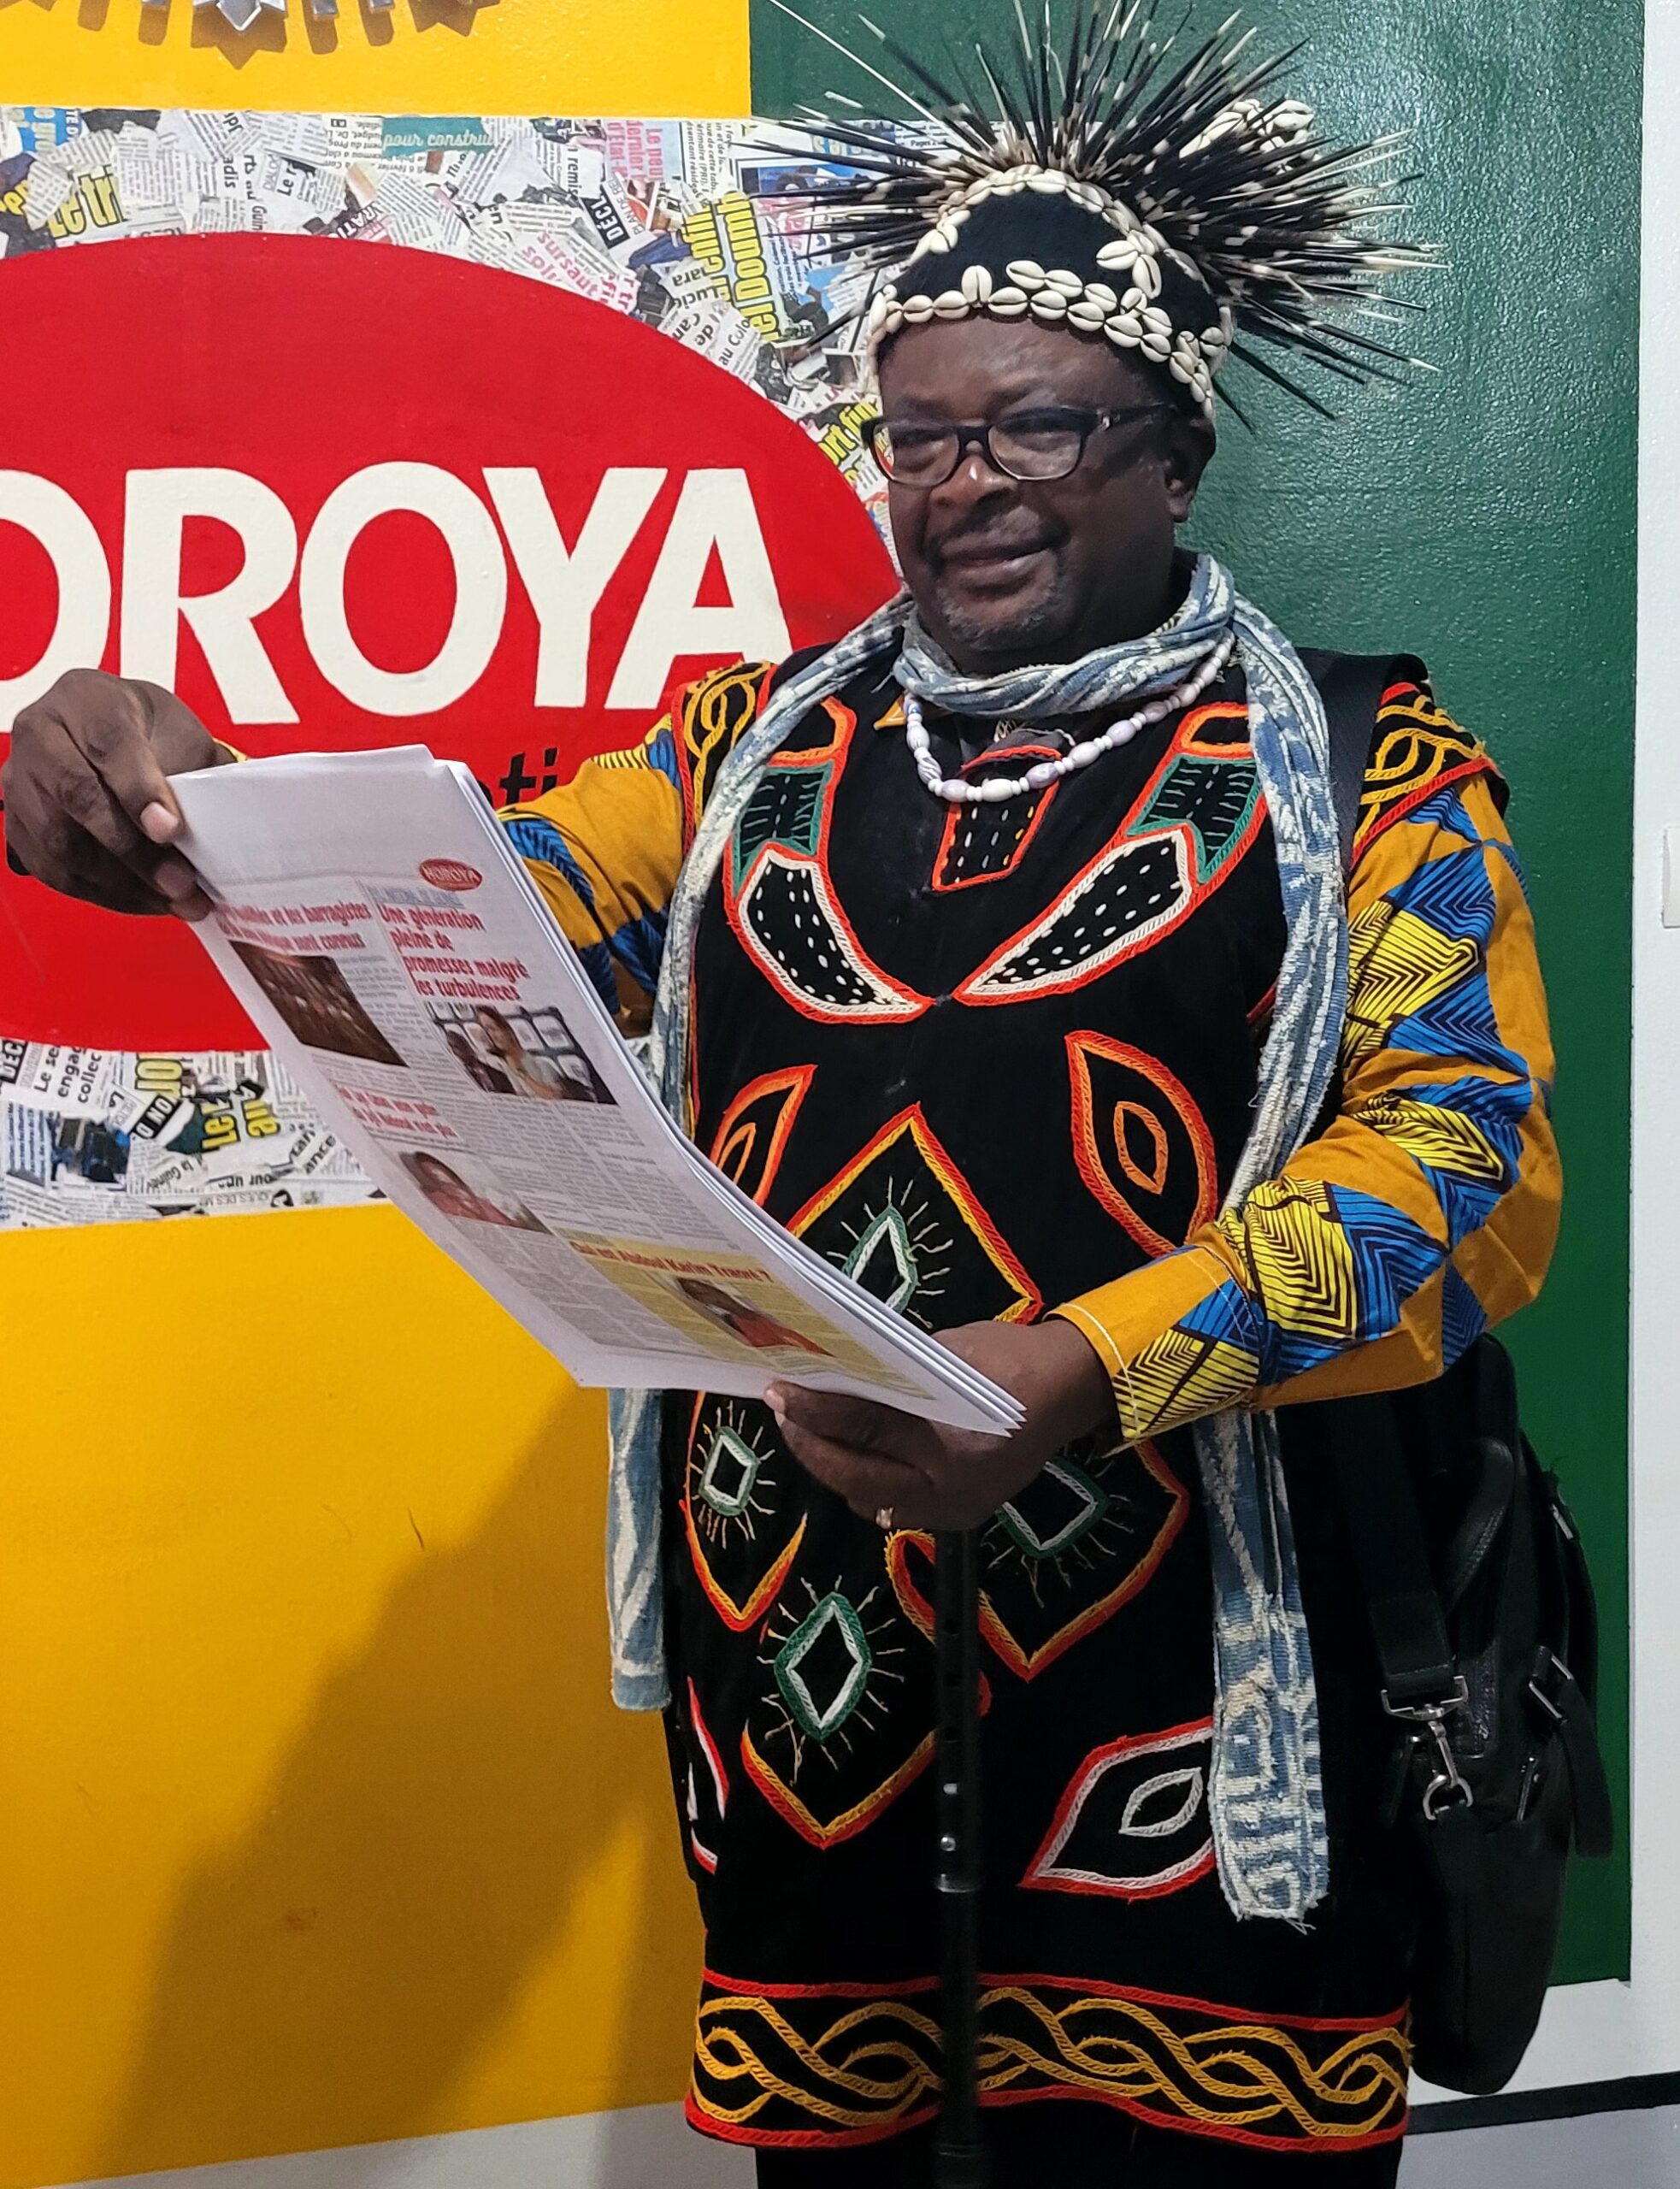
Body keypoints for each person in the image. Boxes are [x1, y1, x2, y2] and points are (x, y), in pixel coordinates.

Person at [0, 10, 1559, 2181]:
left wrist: (1082, 1364)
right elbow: (475, 930)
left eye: (1034, 423)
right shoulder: (740, 758)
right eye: (917, 435)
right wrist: (186, 817)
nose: (961, 481)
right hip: (810, 1706)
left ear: (1172, 451)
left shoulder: (1365, 772)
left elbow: (1459, 1170)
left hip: (1209, 1728)